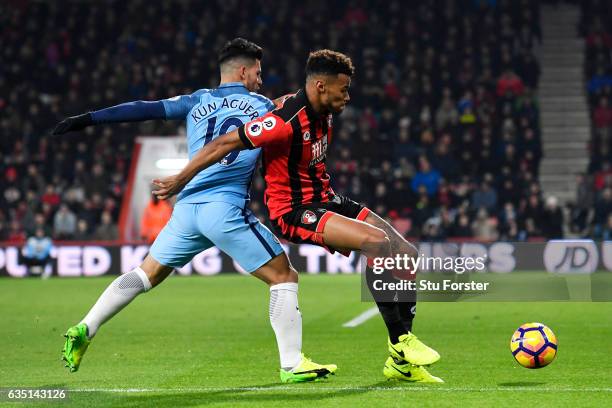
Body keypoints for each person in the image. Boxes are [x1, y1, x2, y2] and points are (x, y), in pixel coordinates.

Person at [52, 38, 335, 383]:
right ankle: (292, 364)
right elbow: (300, 106)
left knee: (146, 274)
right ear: (244, 71)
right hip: (224, 208)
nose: (261, 80)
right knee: (284, 276)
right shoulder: (264, 106)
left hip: (186, 210)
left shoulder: (196, 100)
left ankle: (86, 326)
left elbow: (143, 108)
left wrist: (88, 119)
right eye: (258, 73)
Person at [153, 50, 442, 382]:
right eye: (343, 89)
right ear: (320, 86)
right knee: (376, 242)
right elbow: (224, 142)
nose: (347, 97)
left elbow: (279, 101)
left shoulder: (319, 108)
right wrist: (181, 177)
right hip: (293, 211)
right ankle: (402, 342)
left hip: (326, 199)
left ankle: (401, 364)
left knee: (406, 254)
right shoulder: (283, 121)